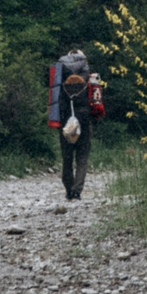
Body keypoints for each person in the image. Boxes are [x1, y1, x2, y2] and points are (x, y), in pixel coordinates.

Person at [45, 46, 105, 199]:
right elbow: (95, 99)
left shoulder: (60, 75)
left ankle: (68, 190)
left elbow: (55, 98)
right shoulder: (89, 75)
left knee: (67, 157)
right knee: (82, 157)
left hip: (66, 119)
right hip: (84, 119)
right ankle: (77, 190)